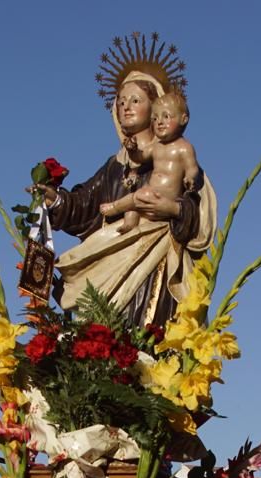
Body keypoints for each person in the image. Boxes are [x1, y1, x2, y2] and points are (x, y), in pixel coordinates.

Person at [37, 71, 217, 327]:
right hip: (112, 267)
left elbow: (199, 214)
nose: (126, 107)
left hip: (158, 262)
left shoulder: (177, 157)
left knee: (151, 334)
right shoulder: (114, 167)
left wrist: (172, 209)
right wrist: (56, 200)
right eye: (120, 102)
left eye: (135, 100)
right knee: (108, 335)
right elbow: (84, 205)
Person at [99, 91, 199, 235]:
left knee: (138, 196)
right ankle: (129, 225)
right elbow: (140, 157)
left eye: (166, 116)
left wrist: (190, 178)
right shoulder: (156, 147)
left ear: (183, 119)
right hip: (148, 199)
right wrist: (132, 150)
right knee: (132, 208)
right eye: (155, 118)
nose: (159, 122)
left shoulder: (184, 148)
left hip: (165, 199)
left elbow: (192, 168)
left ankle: (115, 207)